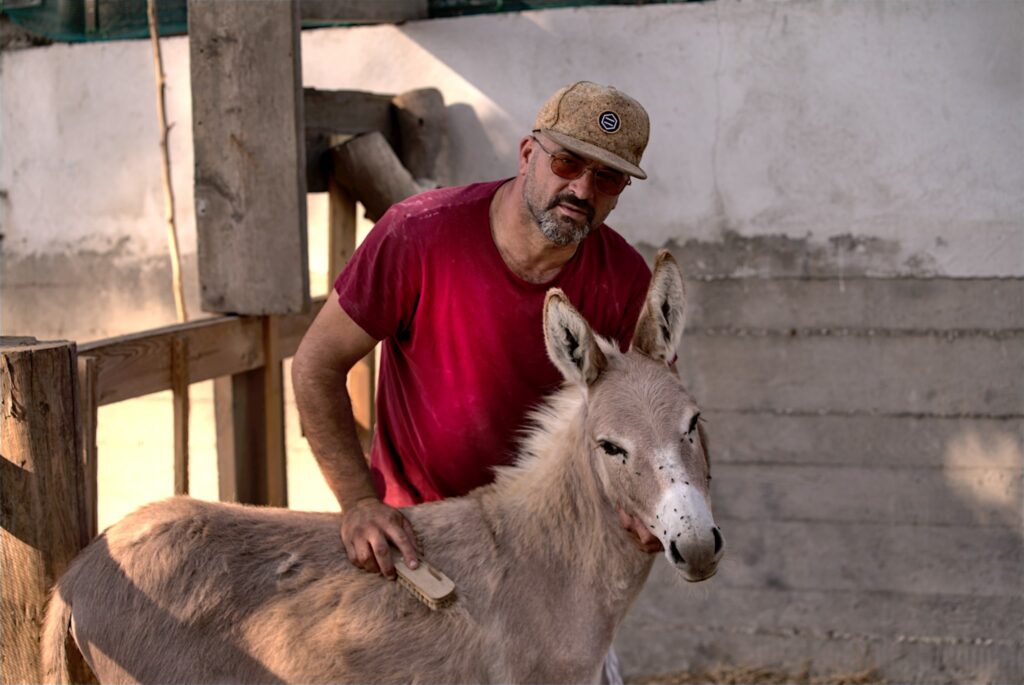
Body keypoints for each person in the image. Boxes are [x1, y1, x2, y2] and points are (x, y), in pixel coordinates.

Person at [292, 81, 663, 581]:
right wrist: (358, 501)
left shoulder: (623, 277)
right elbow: (317, 362)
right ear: (528, 153)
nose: (581, 189)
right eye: (567, 163)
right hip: (418, 539)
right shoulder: (417, 234)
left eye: (608, 178)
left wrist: (644, 500)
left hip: (553, 547)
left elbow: (650, 410)